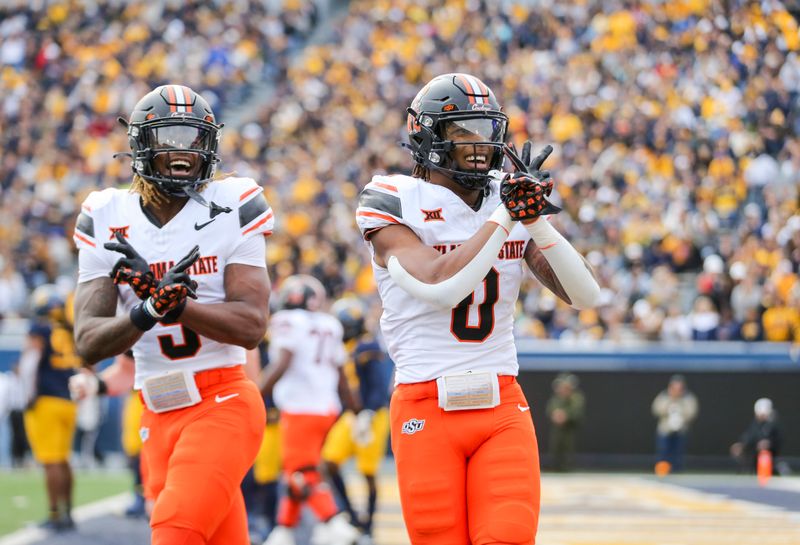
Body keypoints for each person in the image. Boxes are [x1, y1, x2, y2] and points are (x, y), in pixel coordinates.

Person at [355, 73, 600, 544]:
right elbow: (440, 286)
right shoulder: (391, 199)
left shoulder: (503, 196)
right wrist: (506, 216)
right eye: (461, 131)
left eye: (484, 131)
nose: (477, 145)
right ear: (426, 136)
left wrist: (536, 223)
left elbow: (587, 296)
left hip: (501, 402)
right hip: (425, 404)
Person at [72, 84, 273, 545]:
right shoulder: (107, 214)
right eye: (170, 137)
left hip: (221, 401)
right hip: (155, 412)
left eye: (194, 138)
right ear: (142, 145)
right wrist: (148, 310)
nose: (184, 151)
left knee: (176, 532)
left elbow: (251, 326)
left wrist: (178, 306)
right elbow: (88, 340)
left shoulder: (233, 205)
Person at [259, 275, 361, 545]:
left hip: (300, 408)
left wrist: (255, 394)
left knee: (299, 473)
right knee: (299, 469)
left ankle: (334, 523)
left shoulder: (288, 322)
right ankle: (284, 530)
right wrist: (355, 410)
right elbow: (341, 375)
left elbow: (282, 363)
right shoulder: (329, 323)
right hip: (327, 409)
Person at [322, 297, 392, 541]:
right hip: (350, 416)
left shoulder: (367, 346)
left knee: (368, 472)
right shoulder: (348, 346)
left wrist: (370, 412)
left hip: (372, 415)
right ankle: (351, 515)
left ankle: (368, 525)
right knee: (328, 463)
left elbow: (379, 383)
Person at [19, 285, 81, 531]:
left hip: (46, 400)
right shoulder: (68, 330)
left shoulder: (39, 329)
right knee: (63, 460)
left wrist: (28, 396)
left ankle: (55, 515)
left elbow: (30, 364)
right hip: (68, 401)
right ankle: (68, 512)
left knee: (51, 462)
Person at [651, 374, 699, 473]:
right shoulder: (664, 396)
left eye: (679, 387)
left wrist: (681, 409)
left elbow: (692, 412)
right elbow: (656, 410)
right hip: (665, 430)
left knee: (678, 453)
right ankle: (662, 470)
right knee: (663, 451)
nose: (677, 390)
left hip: (681, 430)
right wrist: (670, 402)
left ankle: (677, 470)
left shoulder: (688, 398)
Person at [730, 397, 784, 474]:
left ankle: (777, 467)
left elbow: (778, 440)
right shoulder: (755, 424)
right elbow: (749, 436)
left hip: (769, 458)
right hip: (754, 457)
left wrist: (769, 444)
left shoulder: (773, 424)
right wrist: (741, 445)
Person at [546, 372, 585, 472]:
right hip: (558, 428)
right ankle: (555, 465)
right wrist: (556, 415)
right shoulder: (556, 398)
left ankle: (567, 466)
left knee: (568, 445)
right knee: (556, 444)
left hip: (570, 427)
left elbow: (576, 411)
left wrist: (565, 416)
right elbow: (550, 409)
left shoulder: (576, 397)